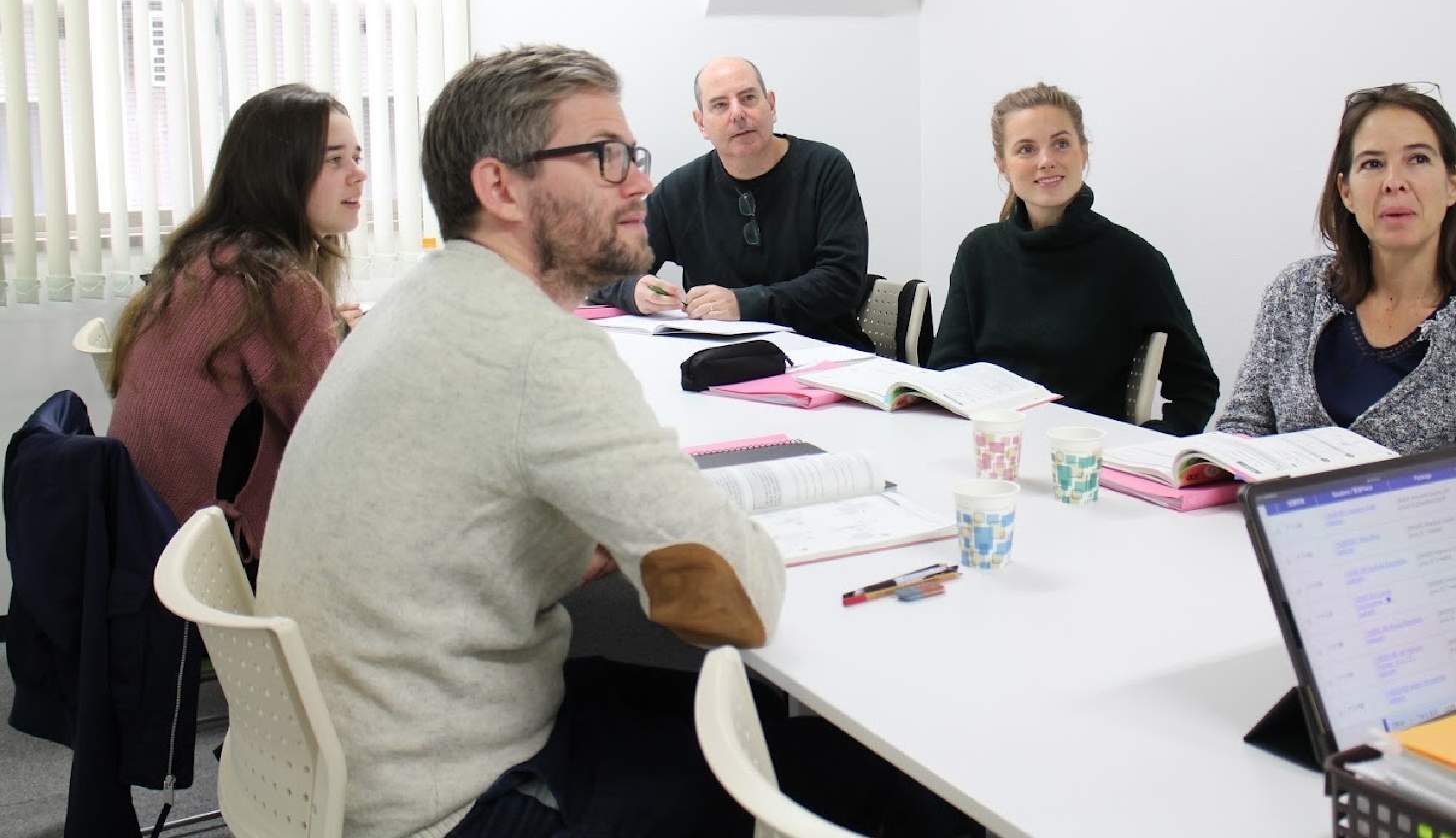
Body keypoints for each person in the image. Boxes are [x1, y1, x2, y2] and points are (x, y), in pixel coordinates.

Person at [255, 45, 970, 838]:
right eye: (604, 157)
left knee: (757, 713)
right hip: (457, 803)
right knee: (894, 787)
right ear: (500, 187)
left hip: (364, 762)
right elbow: (744, 597)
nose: (638, 183)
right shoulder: (536, 348)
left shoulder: (424, 299)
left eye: (634, 154)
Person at [1218, 83, 1456, 496]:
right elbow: (1244, 426)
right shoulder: (1294, 295)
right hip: (1276, 529)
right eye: (1372, 164)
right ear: (1346, 191)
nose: (1394, 182)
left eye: (1418, 159)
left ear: (1453, 183)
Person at [107, 84, 364, 566]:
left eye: (356, 156)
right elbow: (338, 440)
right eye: (334, 160)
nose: (358, 174)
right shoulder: (273, 284)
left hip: (151, 540)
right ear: (279, 175)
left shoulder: (209, 257)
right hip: (211, 558)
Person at [931, 83, 1219, 434]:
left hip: (1079, 455)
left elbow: (1197, 388)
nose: (1046, 161)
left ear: (1083, 151)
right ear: (1002, 164)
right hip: (990, 445)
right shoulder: (978, 251)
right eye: (1026, 149)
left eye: (1061, 144)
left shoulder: (1133, 261)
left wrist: (1139, 448)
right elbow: (947, 372)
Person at [594, 56, 871, 347]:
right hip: (719, 356)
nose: (737, 114)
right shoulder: (681, 189)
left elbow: (842, 280)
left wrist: (744, 304)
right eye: (720, 105)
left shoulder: (825, 168)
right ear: (701, 123)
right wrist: (632, 290)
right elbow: (601, 270)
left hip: (826, 353)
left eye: (748, 98)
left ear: (771, 105)